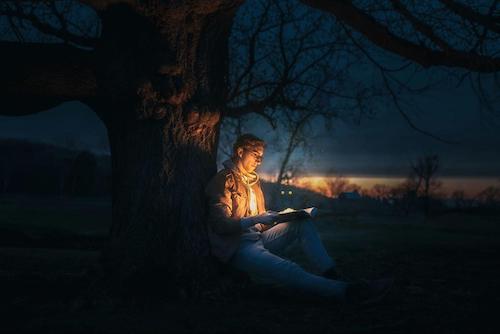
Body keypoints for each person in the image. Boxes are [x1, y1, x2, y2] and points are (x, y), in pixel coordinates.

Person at [205, 133, 391, 301]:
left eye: (262, 156)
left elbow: (258, 224)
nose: (259, 160)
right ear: (240, 151)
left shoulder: (253, 183)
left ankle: (333, 277)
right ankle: (350, 292)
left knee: (302, 223)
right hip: (236, 247)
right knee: (289, 269)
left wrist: (279, 217)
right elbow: (220, 226)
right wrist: (256, 219)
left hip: (257, 239)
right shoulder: (224, 180)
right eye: (255, 154)